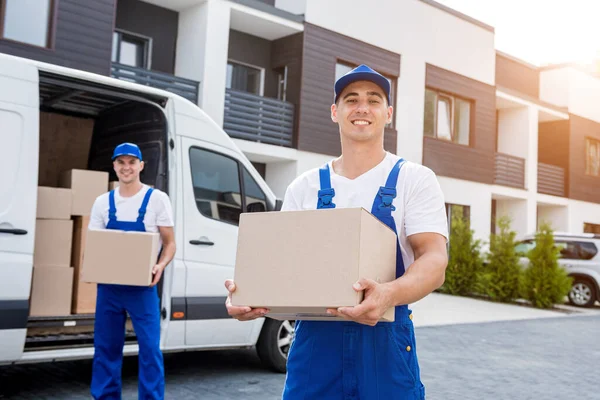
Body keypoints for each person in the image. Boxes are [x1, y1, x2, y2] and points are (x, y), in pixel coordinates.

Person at [225, 64, 449, 399]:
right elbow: (285, 271)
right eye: (351, 99)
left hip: (385, 340)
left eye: (374, 100)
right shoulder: (305, 187)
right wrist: (251, 298)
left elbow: (434, 259)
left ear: (388, 113)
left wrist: (388, 294)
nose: (362, 107)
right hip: (316, 346)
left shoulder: (414, 179)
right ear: (335, 112)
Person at [88, 142, 176, 400]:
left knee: (150, 350)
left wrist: (160, 265)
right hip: (109, 288)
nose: (126, 167)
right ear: (114, 166)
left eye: (131, 162)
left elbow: (170, 243)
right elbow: (96, 245)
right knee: (106, 348)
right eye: (121, 162)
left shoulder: (157, 199)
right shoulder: (102, 202)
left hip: (143, 287)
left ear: (141, 166)